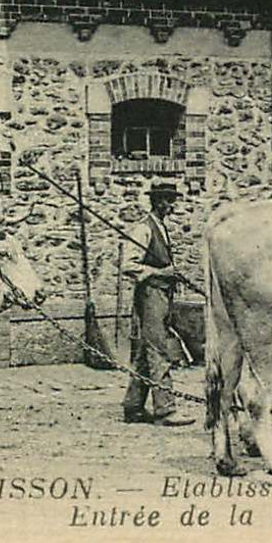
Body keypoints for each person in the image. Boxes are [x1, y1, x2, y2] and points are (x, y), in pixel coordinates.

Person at [121, 183, 195, 426]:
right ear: (157, 201)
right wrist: (161, 272)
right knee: (158, 350)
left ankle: (133, 407)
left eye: (173, 200)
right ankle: (166, 410)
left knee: (146, 350)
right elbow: (128, 265)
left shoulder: (161, 227)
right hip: (150, 293)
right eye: (168, 200)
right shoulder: (143, 229)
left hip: (163, 294)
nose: (172, 206)